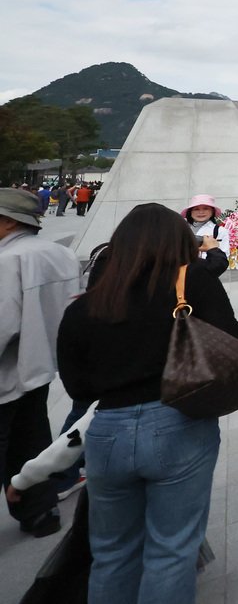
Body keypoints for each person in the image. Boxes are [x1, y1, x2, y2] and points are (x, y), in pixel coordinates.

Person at [57, 203, 238, 603]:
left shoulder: (88, 303)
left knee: (111, 554)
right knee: (172, 552)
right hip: (177, 423)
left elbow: (78, 387)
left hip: (107, 432)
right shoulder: (193, 281)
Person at [0, 189, 81, 539]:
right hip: (42, 368)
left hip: (6, 375)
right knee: (30, 441)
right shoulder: (61, 254)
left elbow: (2, 325)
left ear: (6, 221)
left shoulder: (7, 261)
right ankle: (41, 513)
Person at [181, 194, 231, 279]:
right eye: (196, 209)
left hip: (205, 275)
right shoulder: (180, 228)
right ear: (190, 212)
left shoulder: (220, 231)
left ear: (212, 211)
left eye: (205, 209)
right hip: (180, 273)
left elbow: (223, 257)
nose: (201, 212)